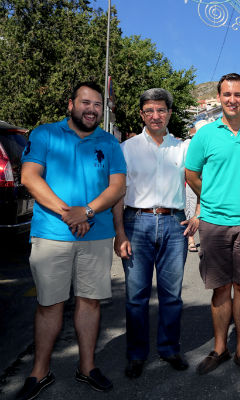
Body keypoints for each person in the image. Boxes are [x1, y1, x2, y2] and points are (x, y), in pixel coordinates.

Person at [18, 82, 126, 399]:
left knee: (90, 301)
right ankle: (39, 372)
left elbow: (117, 186)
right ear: (71, 104)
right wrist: (69, 213)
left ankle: (87, 367)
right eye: (85, 102)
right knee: (49, 304)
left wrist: (88, 211)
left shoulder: (110, 143)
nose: (91, 109)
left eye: (96, 104)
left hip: (96, 234)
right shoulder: (45, 134)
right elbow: (29, 176)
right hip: (52, 235)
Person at [185, 73, 240, 379]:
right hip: (214, 223)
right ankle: (219, 348)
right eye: (227, 94)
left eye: (238, 94)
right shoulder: (204, 135)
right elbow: (191, 175)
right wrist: (209, 197)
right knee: (220, 290)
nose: (232, 99)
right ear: (219, 98)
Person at [113, 88, 198, 378]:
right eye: (149, 111)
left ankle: (169, 349)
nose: (155, 116)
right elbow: (118, 194)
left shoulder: (183, 148)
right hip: (136, 224)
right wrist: (119, 234)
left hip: (174, 225)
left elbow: (200, 182)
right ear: (142, 114)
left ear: (169, 113)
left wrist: (197, 215)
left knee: (172, 295)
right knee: (136, 296)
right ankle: (136, 356)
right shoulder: (127, 148)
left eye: (161, 110)